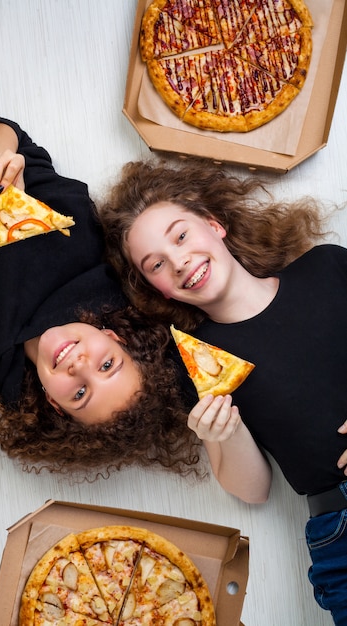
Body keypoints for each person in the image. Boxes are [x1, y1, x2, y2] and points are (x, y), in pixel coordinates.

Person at [99, 156, 347, 625]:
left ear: (216, 226)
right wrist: (222, 432)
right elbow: (252, 490)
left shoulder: (327, 267)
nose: (178, 261)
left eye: (181, 235)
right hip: (339, 526)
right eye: (156, 264)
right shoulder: (195, 362)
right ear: (158, 288)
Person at [0, 92, 202, 478]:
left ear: (55, 405)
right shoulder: (76, 240)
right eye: (107, 364)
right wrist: (0, 160)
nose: (79, 366)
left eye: (79, 393)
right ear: (115, 337)